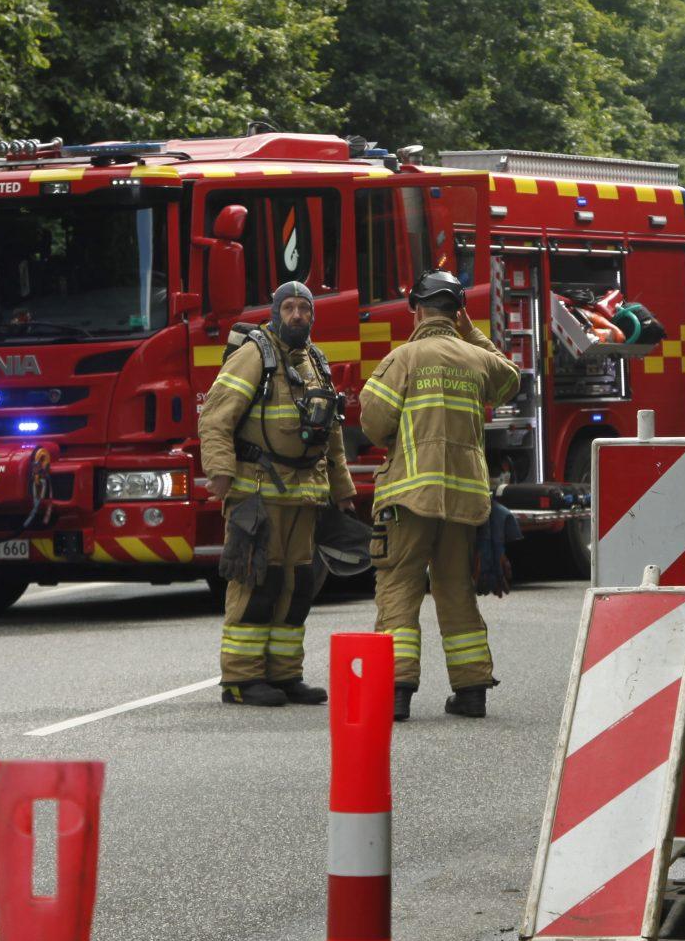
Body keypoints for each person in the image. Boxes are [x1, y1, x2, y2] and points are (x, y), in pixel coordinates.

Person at [361, 271, 522, 720]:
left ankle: (396, 691)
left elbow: (373, 422)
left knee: (399, 586)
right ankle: (471, 690)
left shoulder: (404, 358)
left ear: (417, 309)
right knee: (455, 590)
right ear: (457, 312)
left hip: (410, 498)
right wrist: (472, 334)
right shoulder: (475, 359)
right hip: (465, 502)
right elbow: (511, 379)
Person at [200, 280, 354, 707]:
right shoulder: (255, 356)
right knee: (256, 582)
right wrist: (220, 473)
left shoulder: (315, 361)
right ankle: (242, 680)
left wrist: (342, 490)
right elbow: (215, 418)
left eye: (304, 309)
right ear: (274, 313)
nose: (297, 316)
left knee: (297, 584)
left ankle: (285, 674)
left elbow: (332, 433)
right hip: (257, 495)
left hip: (304, 495)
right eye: (288, 308)